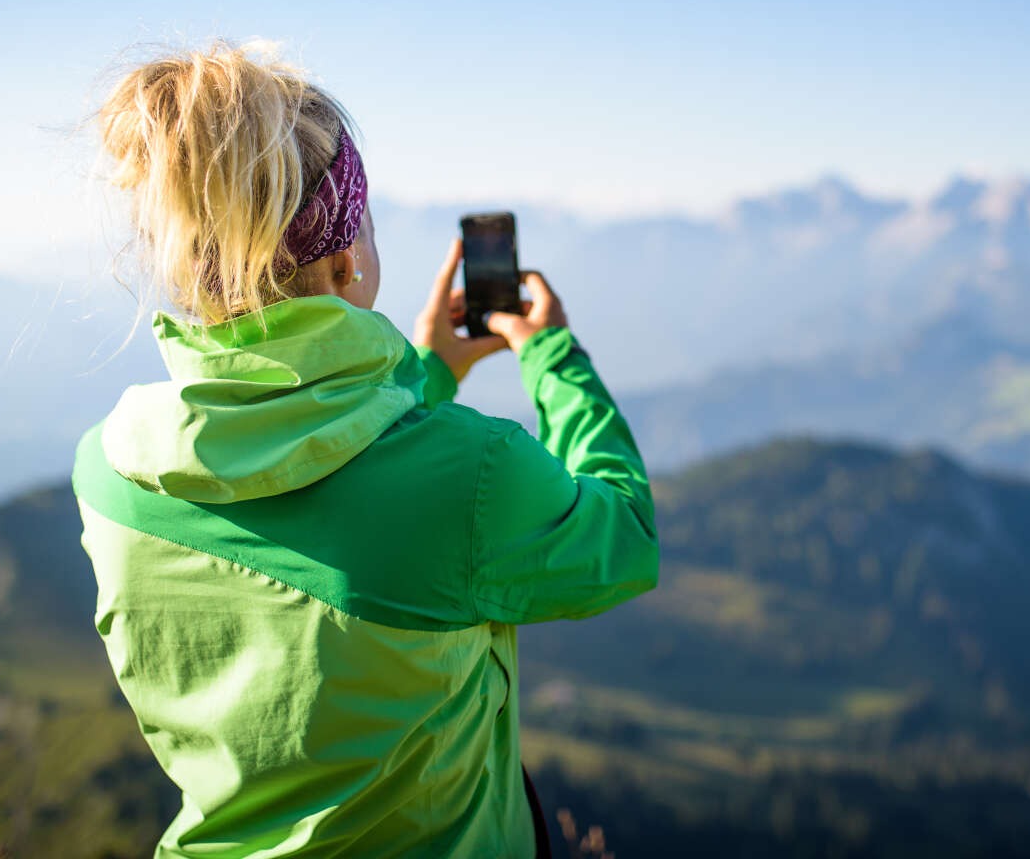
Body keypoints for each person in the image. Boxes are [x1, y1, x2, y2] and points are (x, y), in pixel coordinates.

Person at [72, 42, 659, 858]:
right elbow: (624, 540)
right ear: (349, 259)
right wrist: (554, 358)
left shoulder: (108, 474)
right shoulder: (475, 475)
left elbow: (329, 494)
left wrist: (423, 375)